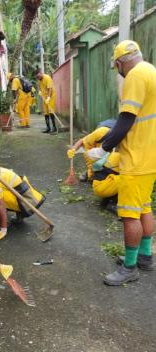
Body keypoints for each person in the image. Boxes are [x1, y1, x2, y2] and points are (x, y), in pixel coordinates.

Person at [87, 40, 156, 285]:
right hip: (150, 157)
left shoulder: (135, 77)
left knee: (129, 215)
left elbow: (125, 120)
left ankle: (129, 268)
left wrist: (103, 149)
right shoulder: (150, 70)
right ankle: (145, 258)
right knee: (144, 207)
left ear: (119, 63)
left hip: (136, 160)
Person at [67, 120, 120, 212]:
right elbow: (81, 141)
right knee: (93, 165)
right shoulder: (101, 132)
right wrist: (73, 150)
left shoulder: (120, 141)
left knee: (106, 167)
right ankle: (89, 174)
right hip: (93, 149)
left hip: (106, 154)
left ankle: (108, 197)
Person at [35, 68, 57, 134]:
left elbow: (50, 89)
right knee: (46, 112)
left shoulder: (47, 78)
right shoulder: (39, 79)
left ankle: (54, 128)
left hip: (51, 96)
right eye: (37, 77)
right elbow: (39, 85)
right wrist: (39, 91)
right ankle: (48, 128)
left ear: (41, 73)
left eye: (38, 76)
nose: (38, 78)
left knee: (51, 111)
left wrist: (49, 97)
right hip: (44, 96)